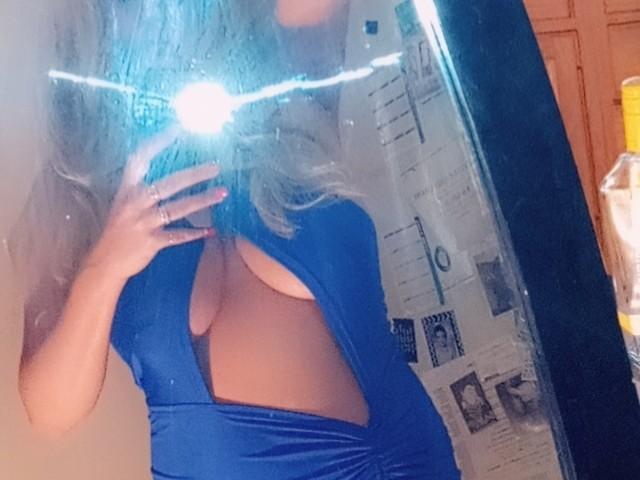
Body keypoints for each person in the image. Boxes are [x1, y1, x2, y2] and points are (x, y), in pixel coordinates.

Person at [11, 1, 460, 478]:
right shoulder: (71, 190)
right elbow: (50, 413)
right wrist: (105, 268)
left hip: (398, 461)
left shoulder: (277, 74)